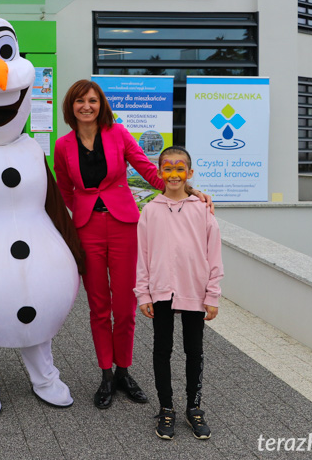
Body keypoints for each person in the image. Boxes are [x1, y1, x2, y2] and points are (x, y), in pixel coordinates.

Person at [54, 79, 210, 410]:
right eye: (80, 101)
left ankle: (124, 371)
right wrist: (81, 207)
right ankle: (106, 375)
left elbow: (149, 171)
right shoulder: (63, 145)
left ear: (101, 104)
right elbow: (64, 187)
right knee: (98, 305)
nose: (87, 106)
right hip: (87, 228)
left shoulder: (118, 135)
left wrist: (188, 190)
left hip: (125, 224)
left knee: (125, 305)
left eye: (93, 100)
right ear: (71, 107)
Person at [134, 146, 223, 440]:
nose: (174, 174)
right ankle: (167, 408)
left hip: (194, 291)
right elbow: (143, 256)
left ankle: (193, 408)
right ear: (159, 173)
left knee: (194, 351)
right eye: (168, 168)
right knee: (162, 351)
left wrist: (212, 295)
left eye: (179, 168)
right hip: (161, 292)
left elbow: (214, 255)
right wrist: (143, 294)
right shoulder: (149, 210)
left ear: (190, 173)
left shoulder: (203, 210)